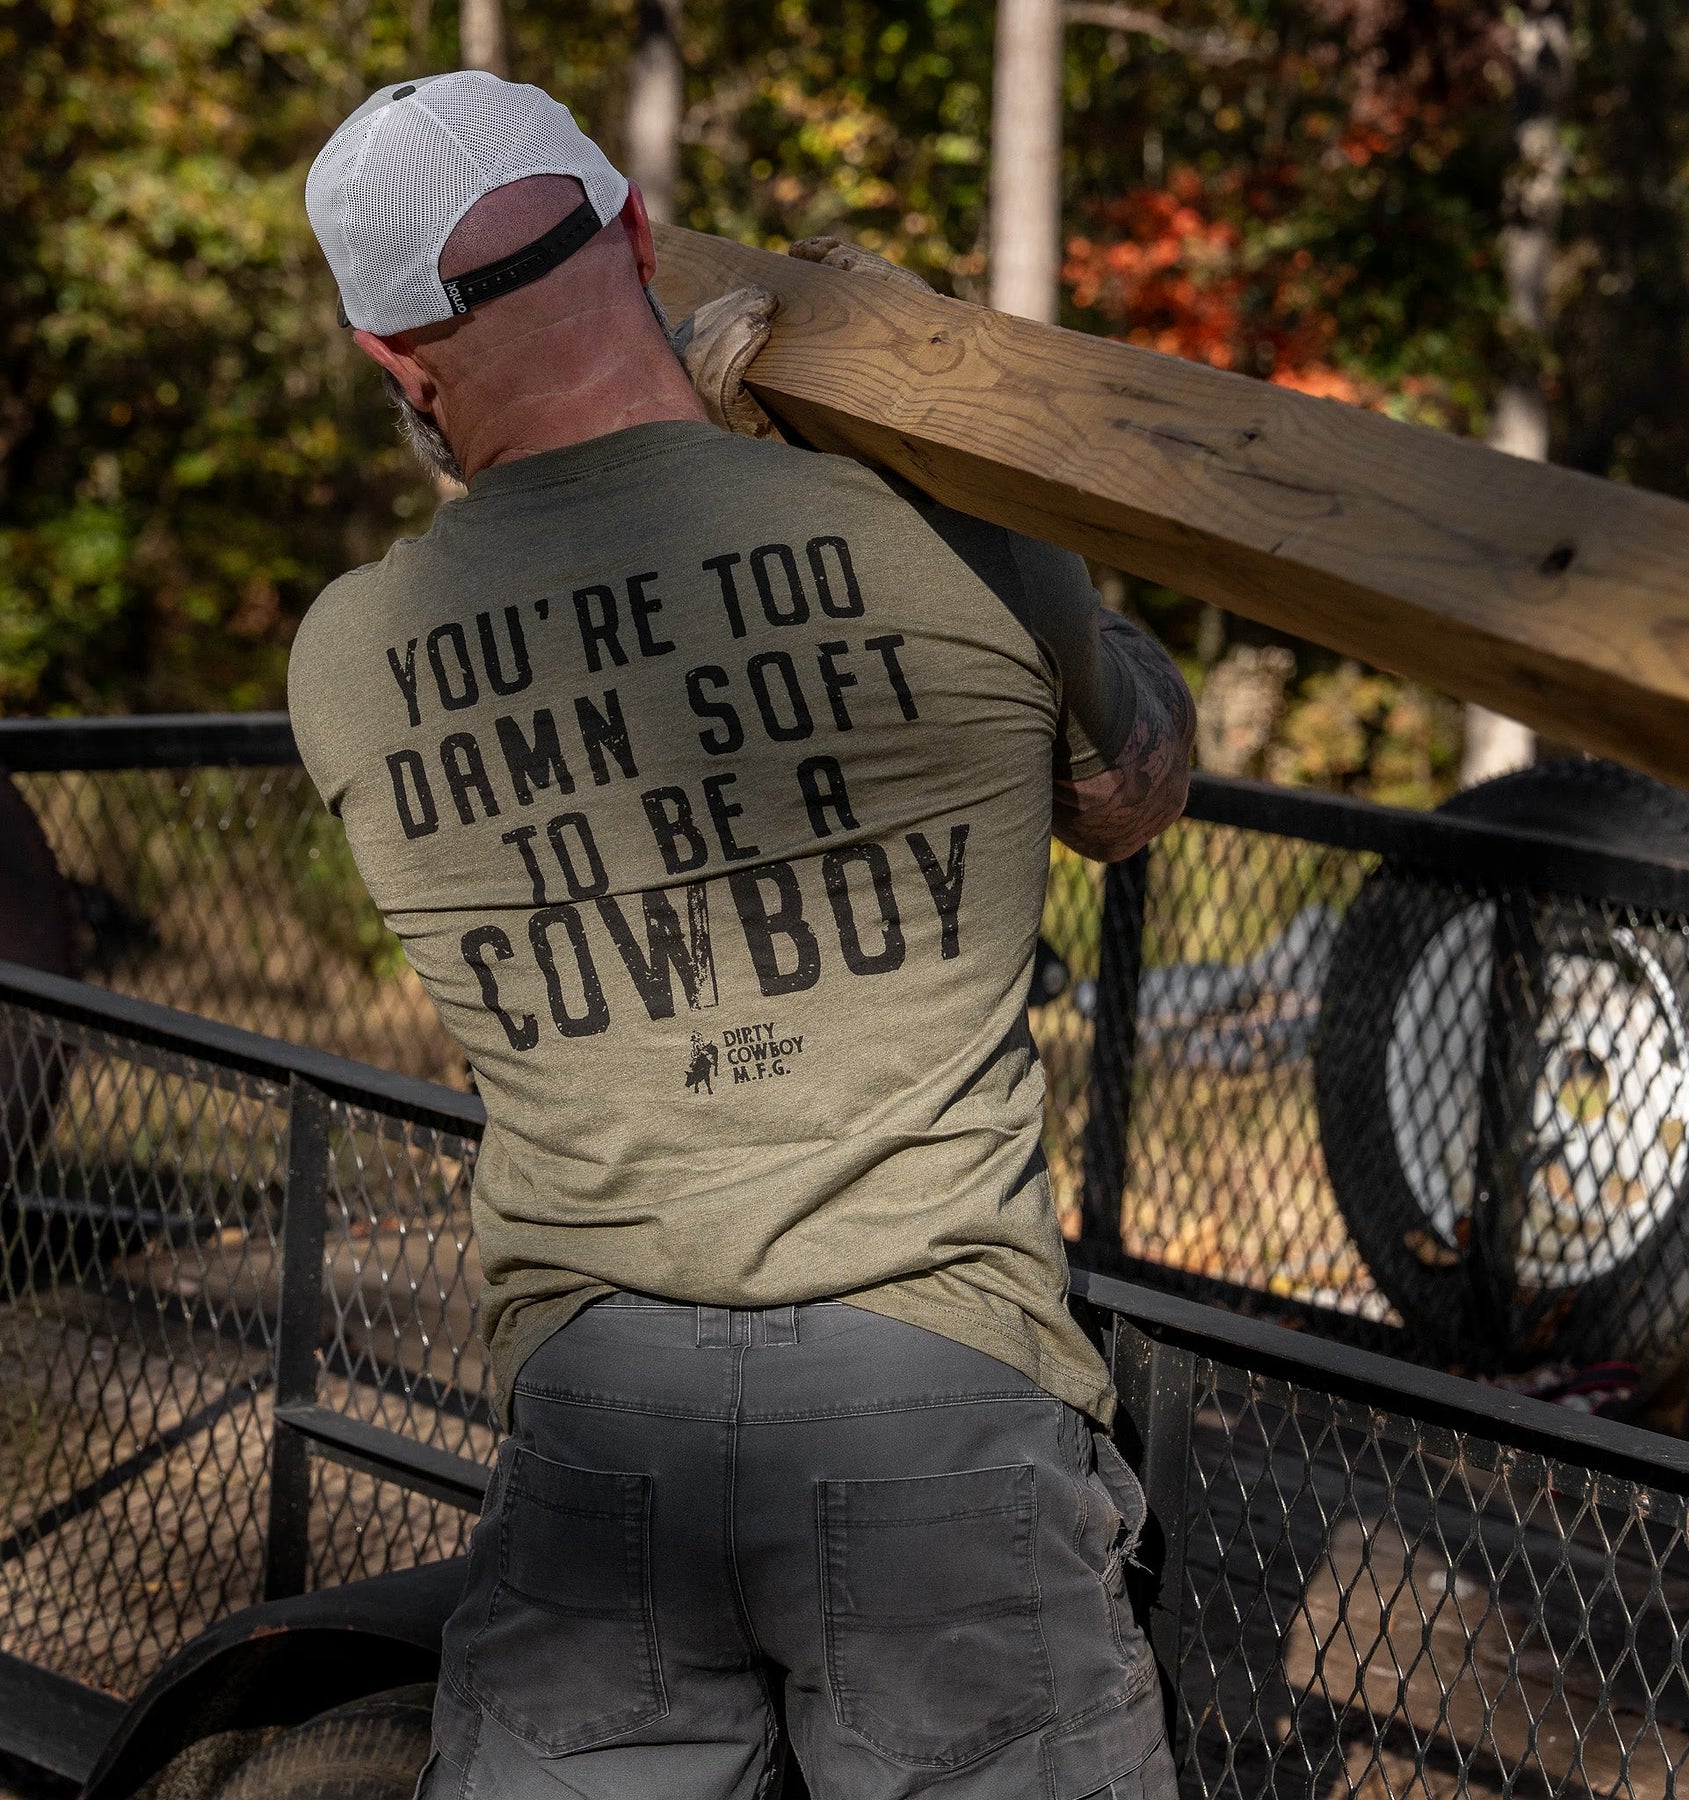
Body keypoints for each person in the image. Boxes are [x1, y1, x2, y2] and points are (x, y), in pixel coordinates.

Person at [294, 69, 1195, 1800]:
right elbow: (1126, 794)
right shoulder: (955, 533)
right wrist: (882, 450)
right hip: (942, 1394)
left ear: (390, 358)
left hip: (596, 1431)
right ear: (634, 229)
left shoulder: (350, 654)